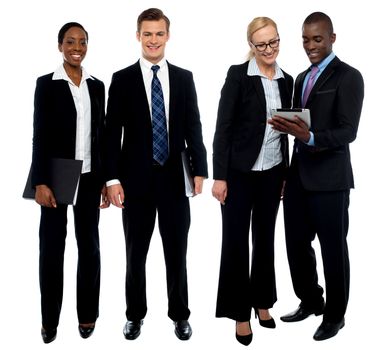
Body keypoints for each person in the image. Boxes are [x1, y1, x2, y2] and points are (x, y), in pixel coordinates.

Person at [104, 8, 208, 341]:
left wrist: (201, 170)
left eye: (158, 33)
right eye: (147, 34)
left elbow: (194, 126)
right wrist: (111, 179)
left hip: (175, 181)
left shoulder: (183, 78)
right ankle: (135, 315)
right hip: (134, 184)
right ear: (138, 36)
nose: (153, 40)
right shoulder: (121, 79)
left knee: (177, 253)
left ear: (168, 36)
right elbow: (111, 134)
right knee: (135, 255)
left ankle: (180, 315)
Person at [269, 12, 364, 341]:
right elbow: (297, 123)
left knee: (333, 250)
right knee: (295, 244)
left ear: (332, 38)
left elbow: (348, 131)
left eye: (318, 39)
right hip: (297, 177)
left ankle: (335, 316)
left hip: (331, 180)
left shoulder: (349, 77)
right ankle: (311, 300)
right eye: (306, 39)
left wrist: (310, 136)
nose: (311, 45)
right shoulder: (299, 78)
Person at [212, 17, 293, 346]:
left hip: (273, 174)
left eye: (273, 42)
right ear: (251, 45)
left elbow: (289, 132)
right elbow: (223, 128)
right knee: (234, 243)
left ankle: (262, 302)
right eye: (261, 44)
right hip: (239, 175)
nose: (269, 49)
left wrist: (286, 173)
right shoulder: (238, 76)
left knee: (264, 239)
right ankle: (240, 313)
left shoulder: (287, 81)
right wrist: (219, 176)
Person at [30, 22, 109, 343]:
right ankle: (49, 320)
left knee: (89, 248)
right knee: (52, 250)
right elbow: (40, 135)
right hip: (58, 173)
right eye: (71, 41)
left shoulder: (97, 85)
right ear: (60, 45)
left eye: (83, 42)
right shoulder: (46, 84)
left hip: (90, 175)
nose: (77, 47)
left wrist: (106, 179)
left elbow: (101, 136)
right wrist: (40, 181)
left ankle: (87, 315)